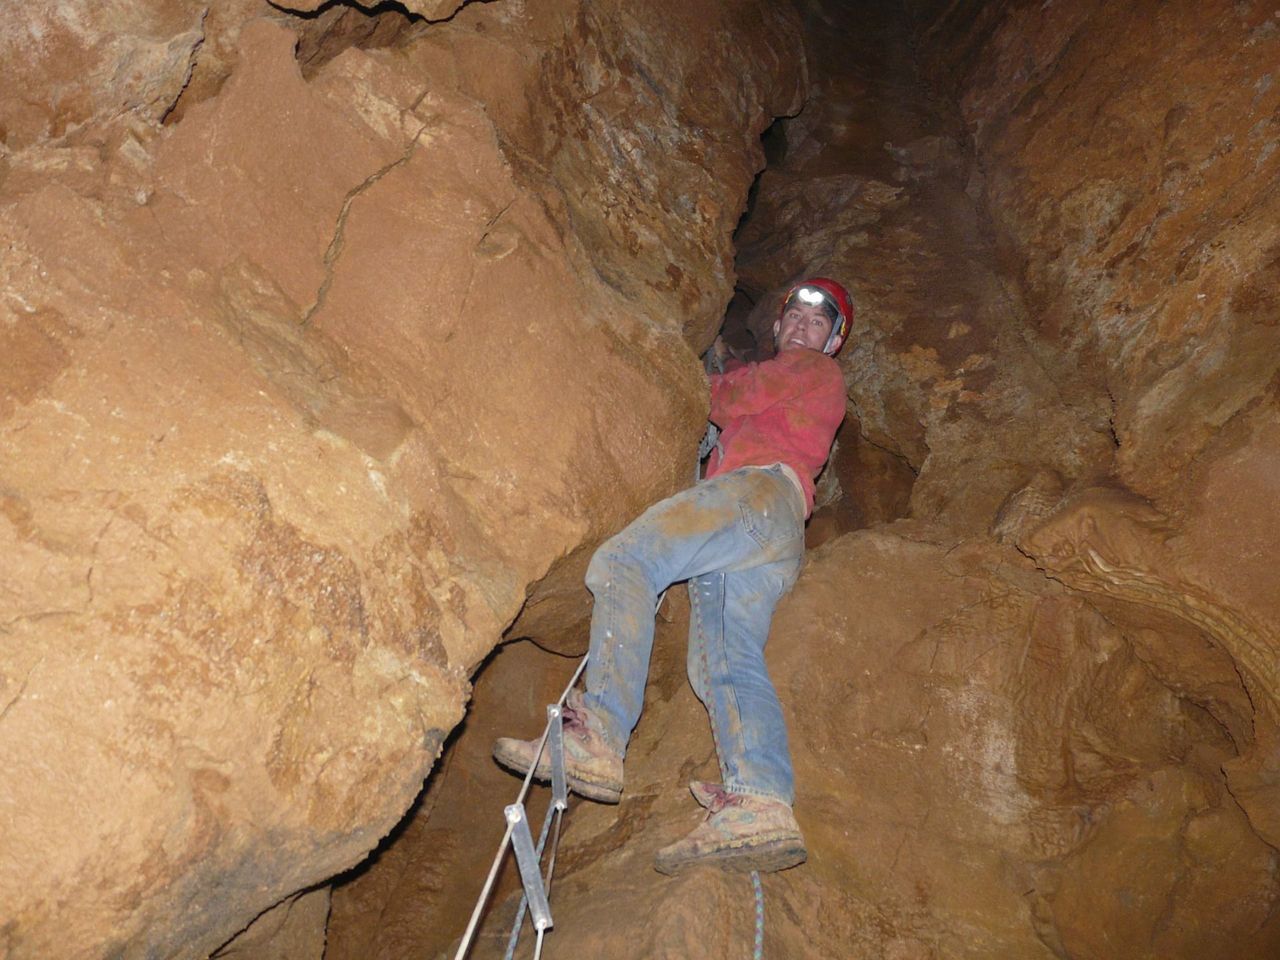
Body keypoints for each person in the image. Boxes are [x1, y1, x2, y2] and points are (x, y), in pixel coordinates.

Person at [494, 278, 852, 874]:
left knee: (624, 562)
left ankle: (599, 736)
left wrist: (689, 383)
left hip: (758, 496)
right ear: (777, 321)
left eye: (818, 323)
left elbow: (733, 396)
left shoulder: (812, 373)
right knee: (722, 661)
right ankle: (761, 801)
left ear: (833, 341)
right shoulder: (794, 394)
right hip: (774, 537)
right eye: (794, 316)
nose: (802, 328)